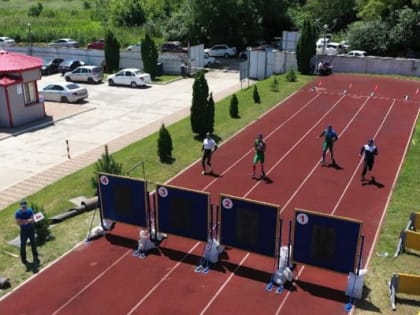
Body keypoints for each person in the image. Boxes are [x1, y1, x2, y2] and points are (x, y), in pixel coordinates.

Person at [15, 199, 39, 266]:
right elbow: (18, 223)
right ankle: (24, 260)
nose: (24, 208)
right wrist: (27, 221)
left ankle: (35, 255)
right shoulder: (18, 213)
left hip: (31, 229)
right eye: (23, 207)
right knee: (23, 245)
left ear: (26, 206)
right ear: (20, 206)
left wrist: (24, 221)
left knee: (33, 242)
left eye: (25, 207)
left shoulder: (30, 210)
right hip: (24, 231)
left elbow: (32, 219)